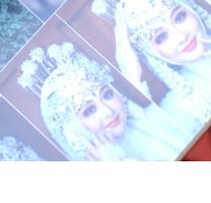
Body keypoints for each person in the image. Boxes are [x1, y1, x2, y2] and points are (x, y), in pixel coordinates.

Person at [16, 41, 188, 161]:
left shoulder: (158, 116)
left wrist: (134, 78)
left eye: (106, 95)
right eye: (89, 110)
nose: (108, 111)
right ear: (72, 128)